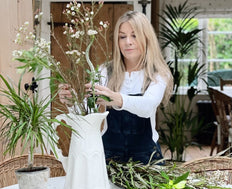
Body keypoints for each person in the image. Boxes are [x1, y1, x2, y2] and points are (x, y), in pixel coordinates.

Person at [59, 10, 173, 165]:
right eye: (122, 36)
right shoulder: (104, 71)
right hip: (108, 156)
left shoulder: (158, 74)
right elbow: (86, 112)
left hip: (147, 158)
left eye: (134, 35)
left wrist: (116, 99)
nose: (128, 42)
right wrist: (72, 103)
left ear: (147, 38)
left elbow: (148, 107)